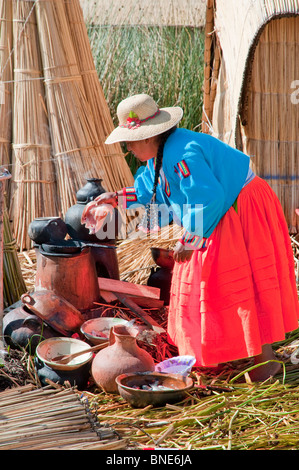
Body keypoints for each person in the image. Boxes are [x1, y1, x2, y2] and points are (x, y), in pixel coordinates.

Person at [83, 93, 299, 381]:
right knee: (215, 282)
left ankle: (266, 363)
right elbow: (152, 190)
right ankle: (237, 353)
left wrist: (189, 240)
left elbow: (208, 197)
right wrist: (115, 198)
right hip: (221, 209)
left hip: (238, 207)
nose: (128, 147)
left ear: (150, 136)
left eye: (131, 141)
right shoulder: (161, 154)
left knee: (233, 281)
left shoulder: (182, 153)